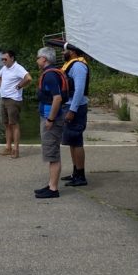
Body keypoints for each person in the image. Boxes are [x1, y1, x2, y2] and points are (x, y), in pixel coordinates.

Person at [33, 47, 67, 199]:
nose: (37, 60)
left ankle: (53, 189)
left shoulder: (50, 76)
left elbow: (57, 98)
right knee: (51, 152)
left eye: (38, 57)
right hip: (50, 117)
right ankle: (51, 184)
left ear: (44, 59)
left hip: (51, 119)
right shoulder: (53, 73)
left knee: (52, 153)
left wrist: (51, 119)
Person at [61, 42, 91, 187]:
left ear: (72, 52)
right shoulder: (73, 64)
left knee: (76, 141)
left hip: (76, 108)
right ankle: (75, 173)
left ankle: (80, 176)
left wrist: (72, 110)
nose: (62, 53)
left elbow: (79, 90)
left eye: (64, 50)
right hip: (71, 106)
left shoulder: (78, 66)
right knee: (72, 141)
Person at [0, 49, 32, 159]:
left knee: (14, 124)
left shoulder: (18, 68)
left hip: (13, 99)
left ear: (12, 58)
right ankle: (8, 148)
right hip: (4, 99)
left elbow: (28, 78)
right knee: (6, 124)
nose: (3, 61)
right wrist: (1, 85)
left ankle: (16, 150)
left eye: (5, 59)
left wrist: (19, 86)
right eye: (2, 59)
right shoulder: (5, 68)